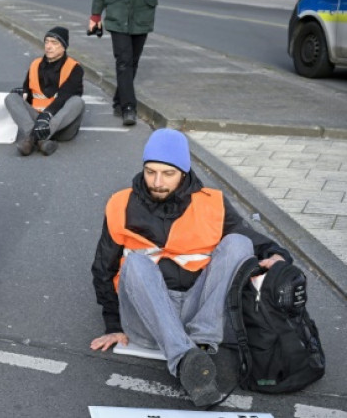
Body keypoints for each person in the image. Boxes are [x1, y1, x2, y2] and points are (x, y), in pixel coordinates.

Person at [90, 128, 292, 407]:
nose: (157, 182)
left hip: (195, 311)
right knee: (135, 261)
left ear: (184, 173)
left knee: (238, 243)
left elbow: (252, 238)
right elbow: (103, 268)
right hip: (146, 317)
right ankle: (186, 360)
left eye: (168, 174)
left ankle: (202, 342)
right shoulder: (120, 204)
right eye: (150, 172)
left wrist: (278, 255)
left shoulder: (212, 203)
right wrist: (113, 324)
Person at [5, 26, 84, 156]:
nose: (48, 46)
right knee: (11, 98)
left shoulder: (74, 68)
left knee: (77, 102)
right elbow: (29, 93)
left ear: (64, 47)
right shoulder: (35, 64)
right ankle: (41, 141)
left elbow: (64, 97)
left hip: (62, 125)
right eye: (46, 42)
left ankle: (32, 139)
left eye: (54, 43)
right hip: (37, 120)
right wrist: (22, 93)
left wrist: (46, 116)